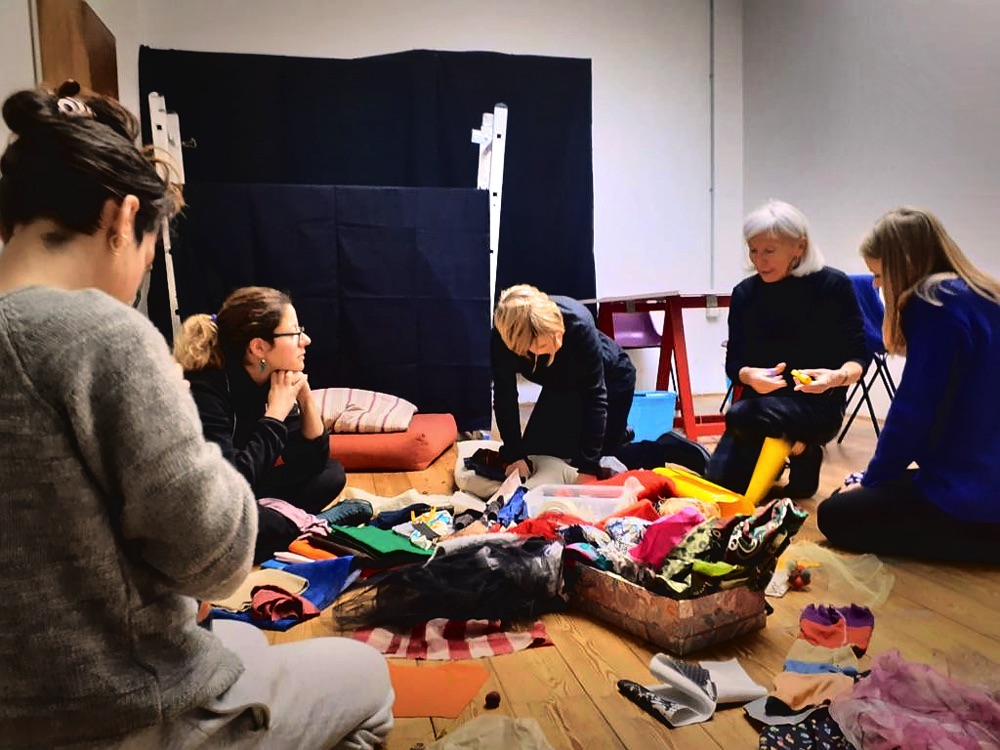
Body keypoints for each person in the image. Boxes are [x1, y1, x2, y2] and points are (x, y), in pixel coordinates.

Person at [0, 83, 392, 749]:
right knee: (369, 677)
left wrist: (298, 404)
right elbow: (216, 557)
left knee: (242, 637)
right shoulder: (106, 336)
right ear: (125, 217)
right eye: (148, 252)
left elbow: (309, 465)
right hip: (119, 716)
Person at [818, 207, 1000, 564]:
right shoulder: (984, 293)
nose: (876, 285)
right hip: (981, 473)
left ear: (902, 265)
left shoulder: (932, 302)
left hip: (973, 501)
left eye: (879, 274)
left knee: (835, 512)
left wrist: (873, 480)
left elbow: (913, 412)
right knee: (870, 486)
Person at [706, 200, 869, 498]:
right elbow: (735, 362)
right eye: (753, 250)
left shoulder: (833, 286)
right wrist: (748, 375)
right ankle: (801, 451)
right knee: (720, 487)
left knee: (741, 415)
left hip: (816, 407)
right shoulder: (745, 293)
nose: (759, 260)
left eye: (769, 251)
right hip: (757, 409)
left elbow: (859, 356)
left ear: (799, 247)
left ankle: (800, 448)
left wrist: (836, 378)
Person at [174, 286, 347, 563]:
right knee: (271, 526)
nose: (306, 340)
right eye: (294, 333)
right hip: (202, 507)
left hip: (245, 490)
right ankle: (310, 524)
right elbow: (228, 484)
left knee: (331, 474)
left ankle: (297, 523)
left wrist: (305, 398)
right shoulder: (205, 389)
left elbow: (311, 462)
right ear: (258, 347)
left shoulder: (271, 377)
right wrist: (275, 415)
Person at [491, 284, 637, 481]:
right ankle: (617, 436)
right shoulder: (502, 342)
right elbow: (504, 397)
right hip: (562, 385)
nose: (557, 343)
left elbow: (596, 399)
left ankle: (653, 445)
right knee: (538, 456)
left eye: (559, 334)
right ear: (521, 348)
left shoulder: (579, 324)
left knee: (598, 464)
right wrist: (514, 456)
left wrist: (588, 468)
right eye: (546, 344)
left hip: (612, 381)